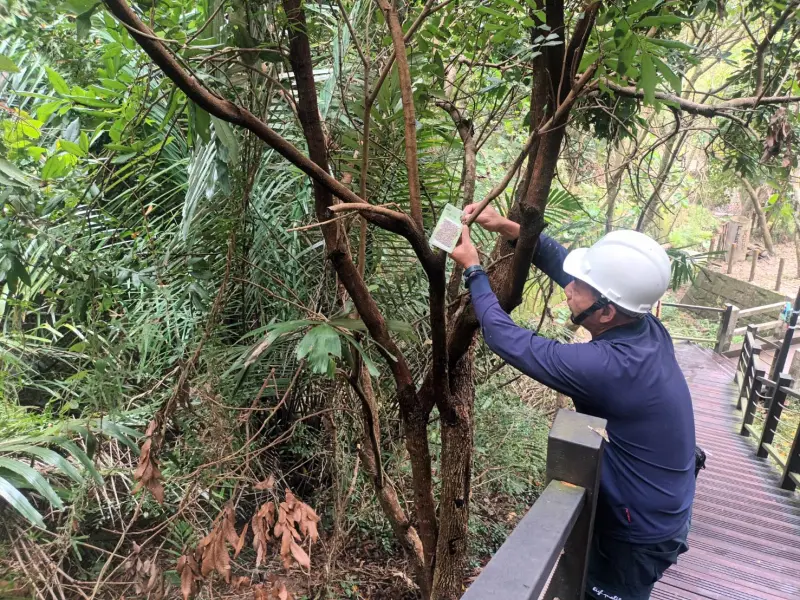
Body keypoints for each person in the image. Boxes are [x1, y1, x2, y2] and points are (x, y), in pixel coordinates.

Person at [450, 204, 695, 600]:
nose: (568, 287)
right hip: (660, 506)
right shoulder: (644, 326)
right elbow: (573, 269)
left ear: (607, 310)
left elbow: (508, 339)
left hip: (638, 533)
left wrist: (475, 272)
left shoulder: (607, 367)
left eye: (579, 287)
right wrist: (510, 229)